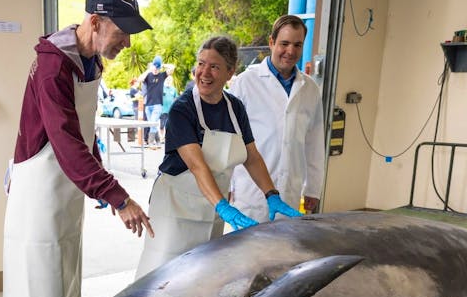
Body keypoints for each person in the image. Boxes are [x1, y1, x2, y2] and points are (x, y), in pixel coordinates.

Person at [3, 0, 155, 297]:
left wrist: (98, 178)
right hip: (40, 190)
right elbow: (66, 141)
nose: (128, 43)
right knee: (42, 293)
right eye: (122, 32)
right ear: (94, 21)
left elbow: (83, 134)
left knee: (66, 282)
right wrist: (118, 197)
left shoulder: (90, 62)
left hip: (65, 186)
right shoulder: (54, 65)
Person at [135, 36, 299, 279]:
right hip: (176, 209)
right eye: (201, 64)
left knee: (200, 278)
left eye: (214, 66)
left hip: (211, 210)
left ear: (230, 71)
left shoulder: (235, 108)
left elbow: (251, 156)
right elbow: (197, 165)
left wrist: (271, 195)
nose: (205, 72)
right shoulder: (183, 109)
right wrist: (225, 208)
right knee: (162, 278)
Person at [229, 15, 326, 220]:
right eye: (284, 43)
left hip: (290, 192)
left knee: (283, 250)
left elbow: (314, 142)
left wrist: (313, 188)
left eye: (297, 45)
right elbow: (229, 138)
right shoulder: (246, 83)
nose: (290, 51)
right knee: (247, 250)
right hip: (250, 194)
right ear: (272, 42)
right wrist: (227, 185)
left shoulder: (310, 89)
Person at [141, 56, 168, 146]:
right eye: (155, 67)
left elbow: (172, 68)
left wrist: (163, 65)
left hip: (158, 104)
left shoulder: (162, 75)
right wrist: (149, 70)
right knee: (152, 124)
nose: (156, 70)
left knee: (153, 123)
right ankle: (158, 141)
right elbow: (140, 79)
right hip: (148, 105)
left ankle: (151, 141)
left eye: (158, 68)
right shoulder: (148, 75)